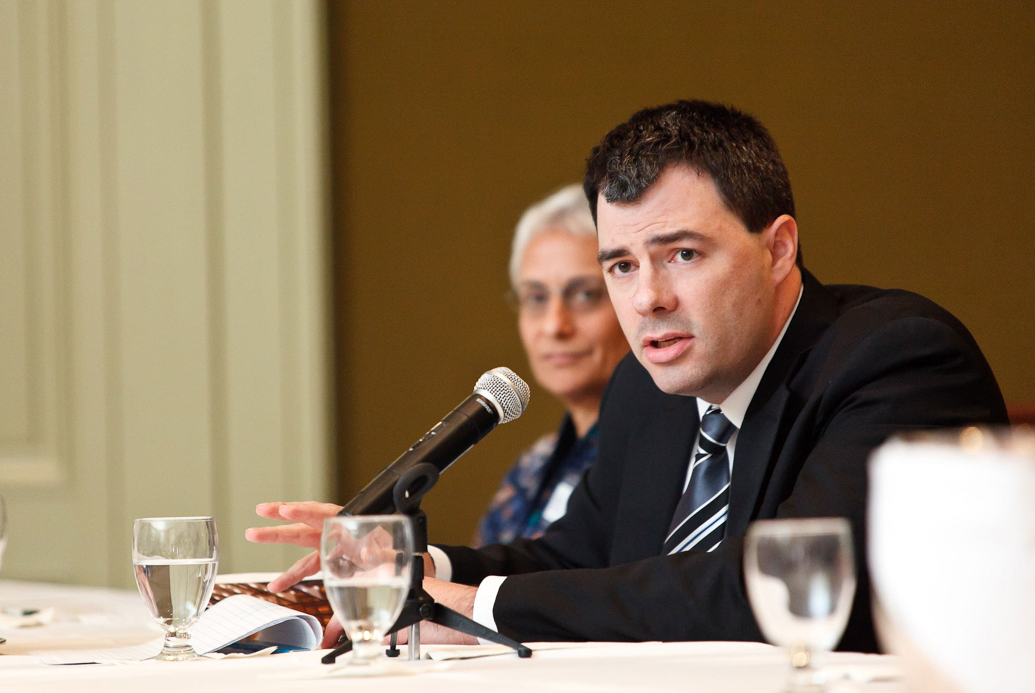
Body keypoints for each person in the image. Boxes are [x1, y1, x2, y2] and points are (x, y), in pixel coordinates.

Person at [248, 100, 1006, 652]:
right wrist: (418, 567)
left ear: (778, 250)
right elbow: (573, 556)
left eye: (682, 254)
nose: (647, 300)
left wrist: (483, 604)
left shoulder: (897, 358)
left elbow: (775, 589)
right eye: (620, 265)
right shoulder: (648, 391)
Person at [474, 185, 630, 547]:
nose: (554, 325)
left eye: (585, 294)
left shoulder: (673, 460)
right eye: (536, 298)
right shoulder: (533, 467)